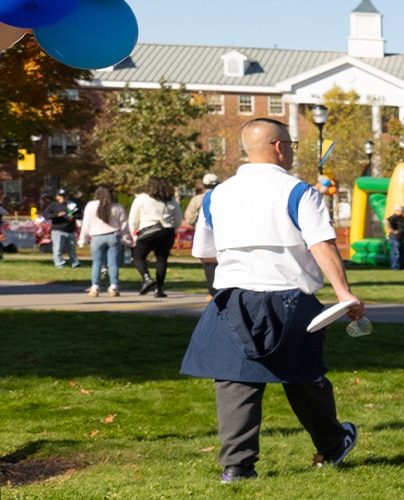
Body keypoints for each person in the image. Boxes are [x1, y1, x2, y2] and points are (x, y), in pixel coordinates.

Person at [178, 118, 363, 483]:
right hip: (289, 297)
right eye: (291, 145)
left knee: (235, 382)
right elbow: (321, 244)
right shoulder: (299, 192)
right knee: (305, 377)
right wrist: (344, 293)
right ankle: (331, 444)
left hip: (233, 299)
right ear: (280, 147)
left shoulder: (216, 196)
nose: (291, 151)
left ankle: (237, 466)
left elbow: (204, 252)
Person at [128, 178, 180, 298]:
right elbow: (178, 218)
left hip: (147, 231)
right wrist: (173, 229)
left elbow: (134, 218)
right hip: (166, 231)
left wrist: (134, 232)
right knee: (162, 259)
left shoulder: (141, 198)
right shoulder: (170, 200)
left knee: (138, 257)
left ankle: (146, 277)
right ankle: (159, 289)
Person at [79, 186, 128, 297]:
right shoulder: (117, 207)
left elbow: (86, 223)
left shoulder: (91, 205)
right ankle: (114, 287)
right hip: (113, 236)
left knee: (97, 263)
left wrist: (83, 239)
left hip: (97, 237)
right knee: (113, 264)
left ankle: (95, 287)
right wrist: (127, 240)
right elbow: (124, 225)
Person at [184, 174, 222, 293]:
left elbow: (189, 216)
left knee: (209, 261)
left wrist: (194, 223)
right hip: (222, 233)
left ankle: (213, 290)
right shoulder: (223, 195)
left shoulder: (197, 199)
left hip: (204, 231)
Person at [45, 189, 80, 268]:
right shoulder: (54, 205)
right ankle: (59, 264)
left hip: (70, 230)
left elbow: (80, 215)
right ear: (57, 197)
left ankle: (75, 264)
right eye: (60, 196)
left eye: (64, 196)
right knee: (57, 249)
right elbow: (46, 215)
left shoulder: (72, 205)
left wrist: (73, 216)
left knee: (72, 250)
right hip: (57, 230)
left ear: (67, 197)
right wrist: (57, 215)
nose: (63, 198)